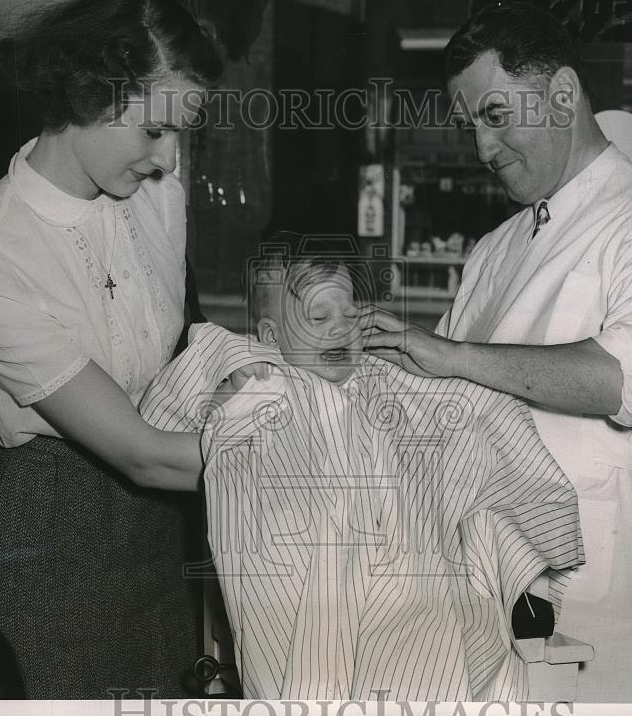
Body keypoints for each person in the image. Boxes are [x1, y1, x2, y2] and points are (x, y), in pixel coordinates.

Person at [360, 1, 632, 703]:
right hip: (483, 576)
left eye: (494, 115)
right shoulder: (496, 249)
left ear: (562, 94)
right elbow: (442, 389)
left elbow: (629, 381)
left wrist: (455, 356)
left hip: (604, 573)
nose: (481, 147)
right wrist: (362, 358)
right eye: (470, 123)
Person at [139, 236, 584, 700]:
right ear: (271, 337)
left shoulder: (376, 375)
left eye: (351, 316)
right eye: (319, 318)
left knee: (447, 622)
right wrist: (225, 402)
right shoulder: (261, 374)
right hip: (304, 559)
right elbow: (169, 415)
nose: (340, 330)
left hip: (404, 552)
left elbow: (468, 413)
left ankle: (509, 597)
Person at [0, 0, 224, 698]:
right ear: (92, 94)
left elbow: (182, 363)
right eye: (155, 129)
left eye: (180, 132)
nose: (168, 157)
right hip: (47, 547)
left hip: (162, 530)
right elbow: (139, 449)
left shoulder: (156, 193)